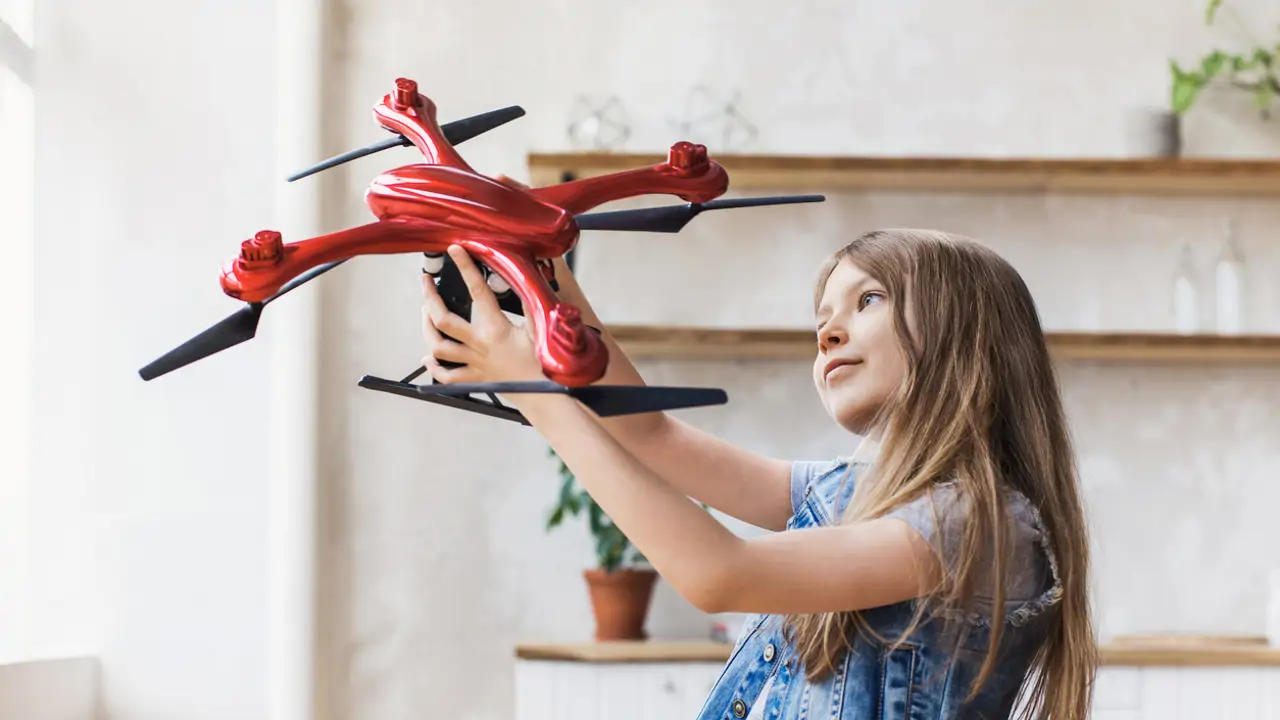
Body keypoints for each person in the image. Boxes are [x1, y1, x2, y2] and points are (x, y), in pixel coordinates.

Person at [419, 228, 1098, 719]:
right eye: (822, 318)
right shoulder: (840, 494)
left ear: (966, 336)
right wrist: (555, 303)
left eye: (867, 302)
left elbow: (720, 573)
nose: (828, 332)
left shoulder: (974, 522)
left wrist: (539, 398)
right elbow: (650, 431)